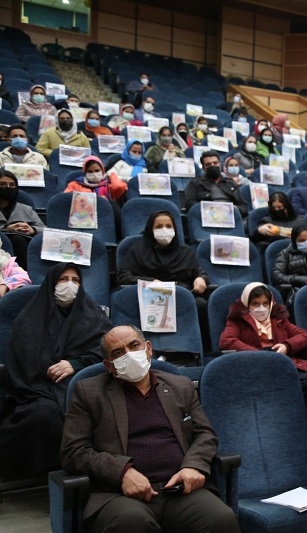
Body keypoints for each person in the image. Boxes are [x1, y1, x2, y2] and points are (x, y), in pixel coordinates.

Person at [60, 325, 240, 533]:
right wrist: (122, 472)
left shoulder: (180, 386)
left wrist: (194, 466)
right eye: (118, 353)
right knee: (131, 524)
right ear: (109, 366)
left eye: (134, 346)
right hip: (119, 494)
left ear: (148, 349)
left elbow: (205, 434)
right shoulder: (88, 392)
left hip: (178, 489)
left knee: (221, 519)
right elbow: (73, 451)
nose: (129, 354)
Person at [0, 263, 110, 479]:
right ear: (51, 283)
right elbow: (24, 363)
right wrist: (52, 370)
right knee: (45, 415)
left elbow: (107, 352)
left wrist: (75, 364)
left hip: (83, 387)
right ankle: (47, 480)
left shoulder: (94, 316)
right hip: (38, 388)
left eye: (76, 280)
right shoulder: (29, 318)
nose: (70, 285)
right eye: (63, 279)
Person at [117, 211, 211, 348]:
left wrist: (201, 278)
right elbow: (123, 276)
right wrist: (150, 281)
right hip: (149, 298)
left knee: (200, 304)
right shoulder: (138, 250)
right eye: (159, 226)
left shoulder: (184, 250)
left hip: (180, 296)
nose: (164, 230)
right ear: (150, 229)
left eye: (168, 226)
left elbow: (199, 272)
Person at [219, 282, 307, 366]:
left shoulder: (278, 318)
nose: (262, 308)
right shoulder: (238, 319)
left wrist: (286, 346)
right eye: (256, 304)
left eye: (265, 304)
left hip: (282, 363)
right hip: (253, 365)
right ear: (246, 304)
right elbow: (226, 340)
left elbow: (303, 335)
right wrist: (258, 354)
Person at [0, 170, 45, 270]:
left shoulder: (26, 208)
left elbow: (44, 230)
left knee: (19, 240)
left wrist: (32, 229)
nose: (7, 187)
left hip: (25, 245)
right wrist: (7, 229)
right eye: (2, 184)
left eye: (12, 185)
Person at [184, 151, 248, 216]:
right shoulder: (195, 183)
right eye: (208, 164)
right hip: (207, 216)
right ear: (203, 168)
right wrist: (206, 208)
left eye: (215, 163)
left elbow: (243, 206)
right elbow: (190, 204)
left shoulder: (230, 183)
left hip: (230, 215)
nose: (213, 166)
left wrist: (236, 208)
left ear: (220, 164)